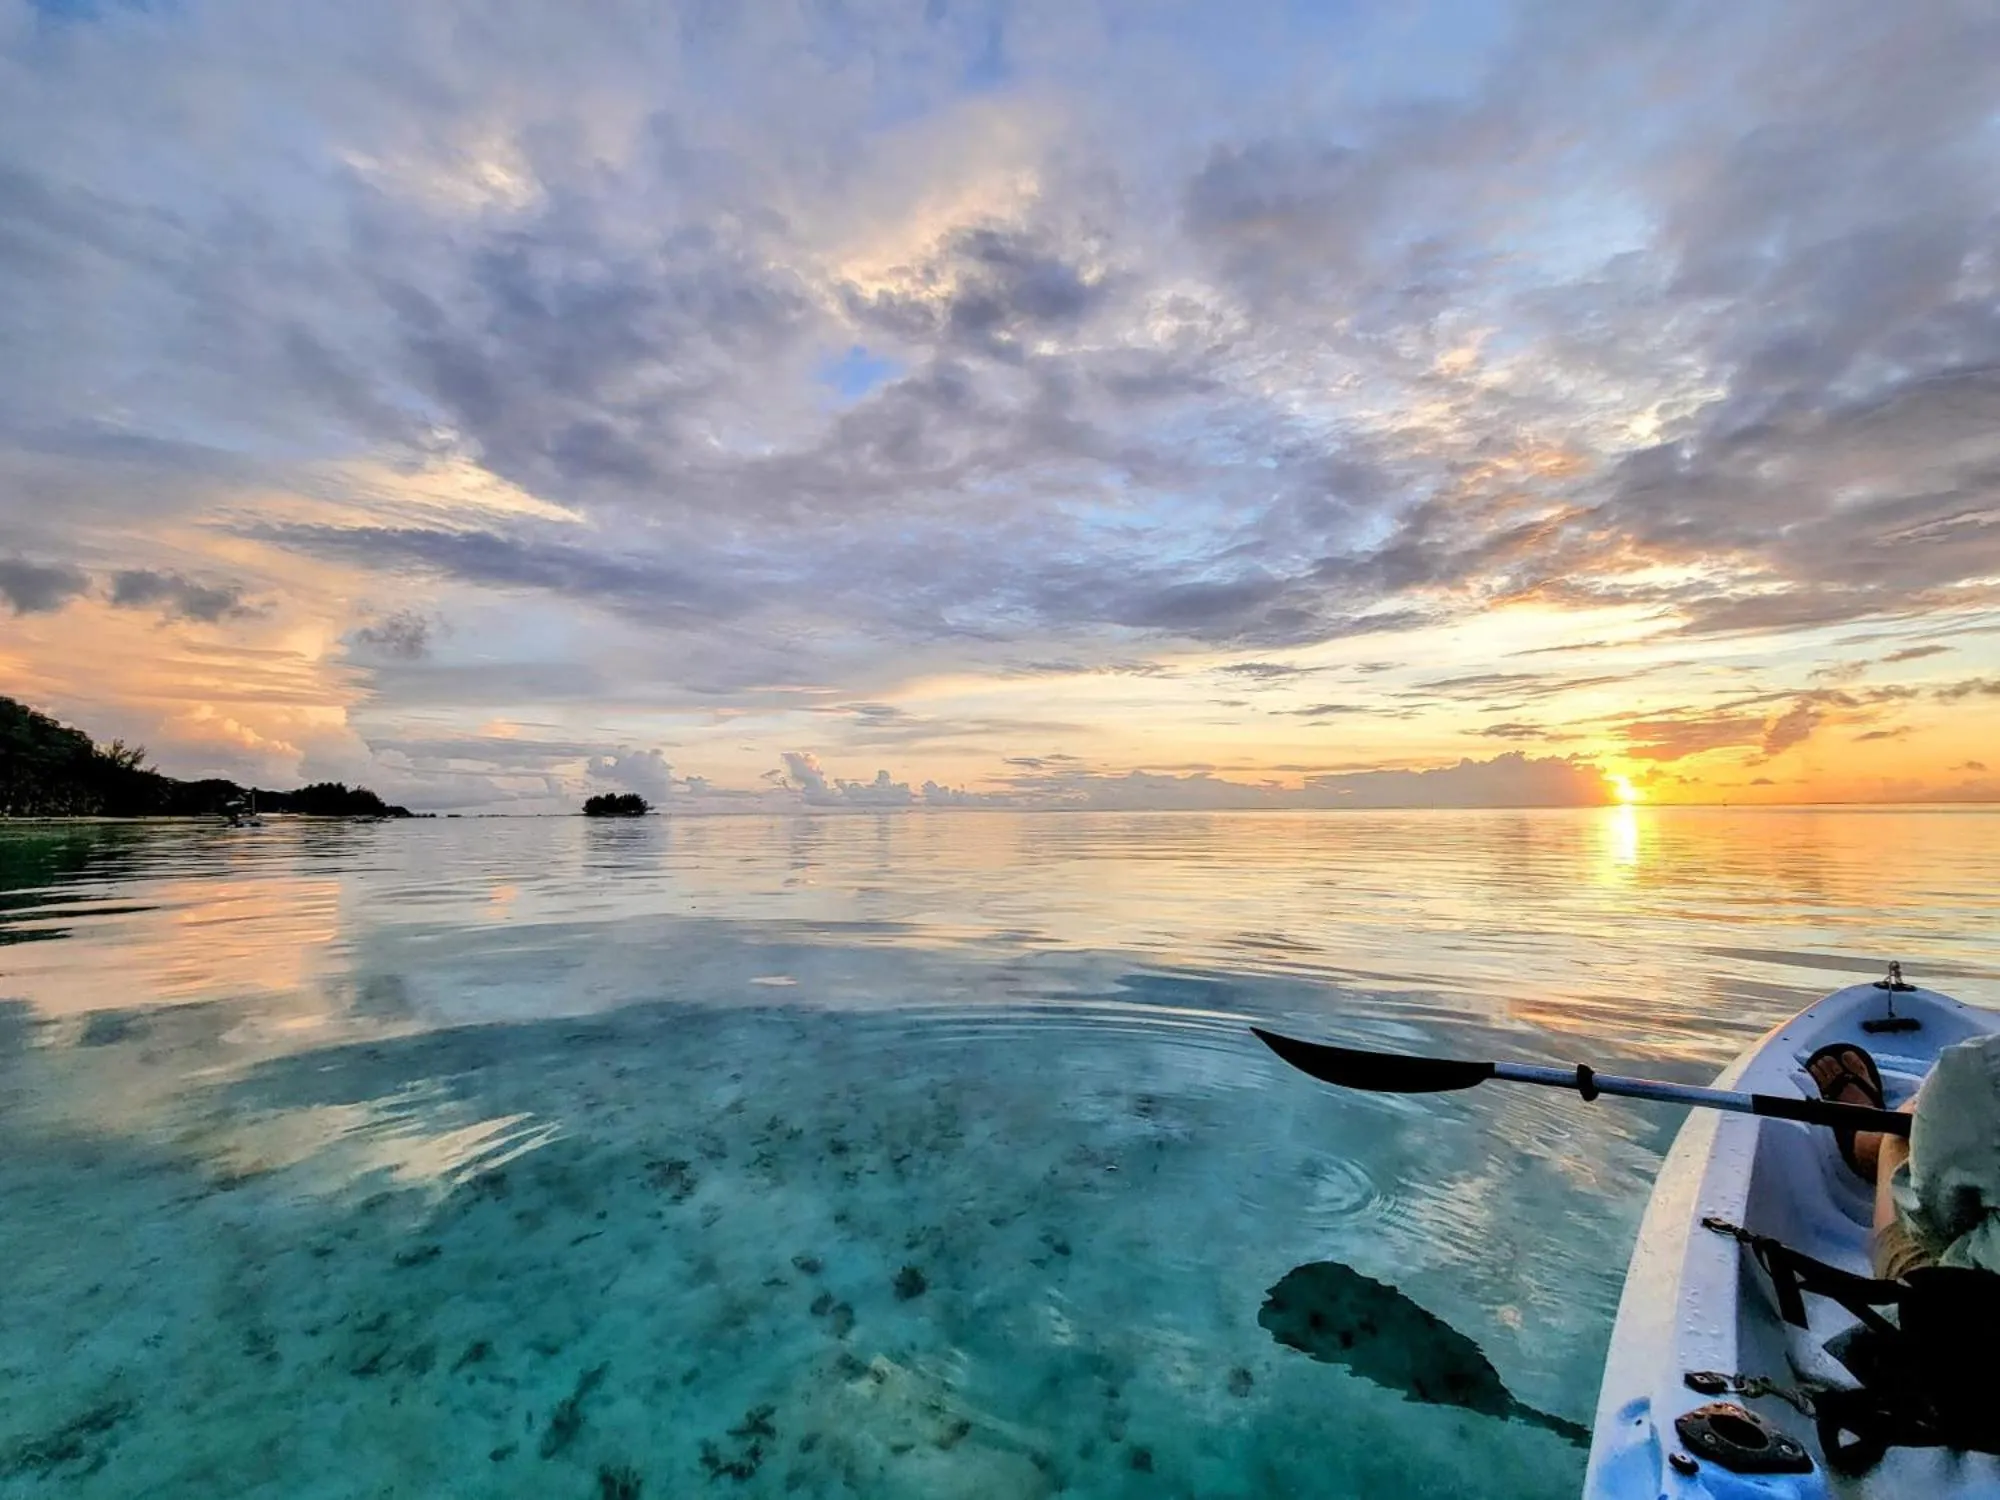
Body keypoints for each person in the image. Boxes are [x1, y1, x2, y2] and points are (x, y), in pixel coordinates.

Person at [1810, 1037, 2000, 1280]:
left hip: (1951, 1303)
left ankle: (1872, 1143)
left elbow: (1930, 1223)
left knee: (1900, 1136)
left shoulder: (1980, 1070)